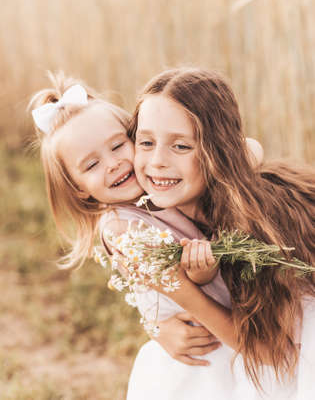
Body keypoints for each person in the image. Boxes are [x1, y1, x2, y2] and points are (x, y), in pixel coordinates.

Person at [29, 71, 263, 364]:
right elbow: (182, 288)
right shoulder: (122, 229)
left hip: (242, 313)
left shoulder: (162, 185)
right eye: (91, 165)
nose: (113, 164)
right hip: (213, 343)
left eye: (117, 146)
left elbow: (251, 148)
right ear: (79, 190)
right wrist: (198, 277)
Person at [125, 67, 315, 399]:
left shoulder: (256, 223)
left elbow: (272, 354)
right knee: (162, 366)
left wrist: (183, 292)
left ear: (218, 151)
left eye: (181, 146)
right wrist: (157, 327)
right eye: (146, 142)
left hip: (293, 357)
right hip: (257, 346)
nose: (157, 161)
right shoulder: (156, 214)